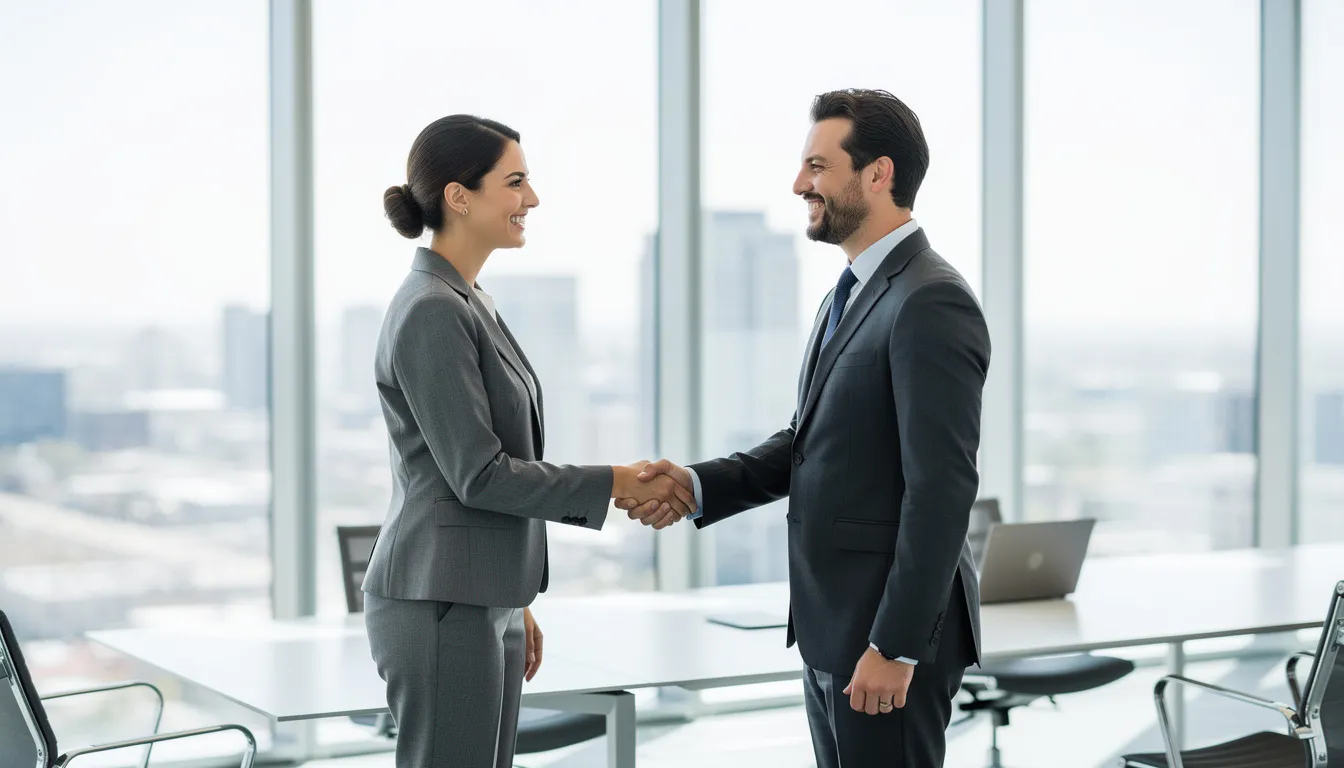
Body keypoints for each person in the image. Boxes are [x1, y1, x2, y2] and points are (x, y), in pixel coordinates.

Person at [623, 89, 990, 767]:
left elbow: (941, 489)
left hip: (884, 638)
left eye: (818, 167)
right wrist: (696, 484)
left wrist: (895, 645)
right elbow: (808, 444)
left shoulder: (929, 299)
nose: (800, 185)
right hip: (837, 630)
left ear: (877, 174)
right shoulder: (844, 296)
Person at [362, 114, 695, 768]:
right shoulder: (432, 307)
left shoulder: (467, 298)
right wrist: (616, 482)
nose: (532, 200)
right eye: (515, 182)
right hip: (439, 601)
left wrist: (510, 595)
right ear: (460, 196)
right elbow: (479, 475)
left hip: (479, 595)